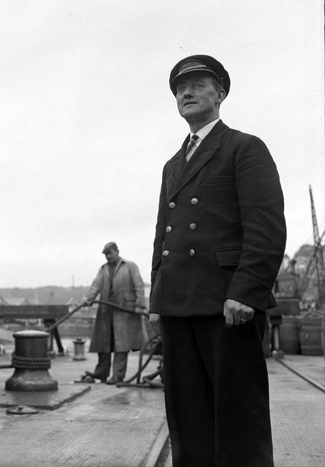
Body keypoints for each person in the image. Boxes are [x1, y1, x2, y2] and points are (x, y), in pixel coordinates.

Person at [149, 55, 286, 467]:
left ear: (220, 93)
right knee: (186, 419)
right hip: (178, 306)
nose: (185, 93)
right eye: (179, 88)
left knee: (238, 420)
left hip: (228, 305)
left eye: (196, 84)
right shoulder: (173, 164)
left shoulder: (244, 147)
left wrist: (247, 291)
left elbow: (265, 226)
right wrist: (157, 300)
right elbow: (163, 235)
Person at [79, 241, 147, 385]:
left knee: (121, 345)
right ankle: (101, 372)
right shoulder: (103, 269)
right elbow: (95, 285)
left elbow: (139, 286)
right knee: (103, 343)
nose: (108, 257)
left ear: (117, 251)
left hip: (125, 312)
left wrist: (140, 305)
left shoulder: (130, 266)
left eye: (110, 253)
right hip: (105, 312)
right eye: (106, 254)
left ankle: (117, 376)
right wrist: (88, 299)